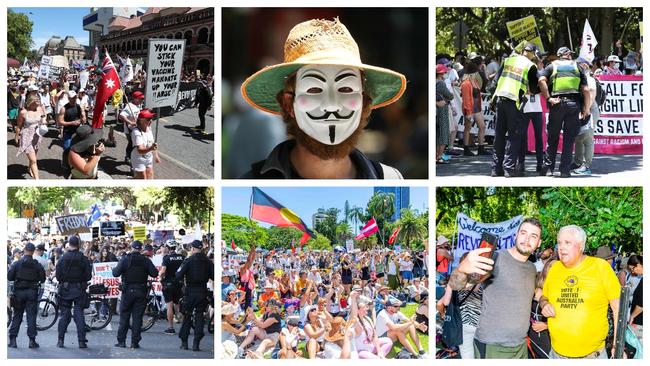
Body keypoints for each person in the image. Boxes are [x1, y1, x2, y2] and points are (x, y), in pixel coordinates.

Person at [240, 18, 405, 178]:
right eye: (314, 90)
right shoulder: (253, 182)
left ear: (363, 101)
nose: (332, 105)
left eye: (346, 89)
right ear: (289, 103)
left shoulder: (390, 180)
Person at [447, 217, 542, 358]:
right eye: (523, 233)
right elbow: (457, 285)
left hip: (520, 345)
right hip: (493, 345)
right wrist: (462, 269)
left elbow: (529, 295)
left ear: (538, 243)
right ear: (516, 235)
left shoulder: (531, 268)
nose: (527, 239)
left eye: (533, 236)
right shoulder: (496, 259)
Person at [539, 225, 621, 359]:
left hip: (592, 356)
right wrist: (545, 304)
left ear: (581, 245)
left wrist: (617, 345)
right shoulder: (554, 268)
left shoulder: (600, 267)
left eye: (567, 243)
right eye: (559, 242)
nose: (561, 247)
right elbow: (544, 296)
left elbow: (619, 308)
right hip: (556, 354)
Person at [538, 46, 590, 178]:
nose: (571, 55)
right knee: (569, 139)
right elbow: (586, 90)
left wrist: (549, 98)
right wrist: (586, 108)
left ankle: (549, 169)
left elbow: (541, 80)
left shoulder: (552, 66)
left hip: (557, 104)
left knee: (553, 137)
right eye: (570, 54)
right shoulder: (578, 67)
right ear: (567, 54)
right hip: (574, 105)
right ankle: (565, 171)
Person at [490, 42, 540, 177]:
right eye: (534, 54)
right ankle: (509, 168)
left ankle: (496, 169)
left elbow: (495, 81)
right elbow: (535, 88)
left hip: (500, 99)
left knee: (499, 135)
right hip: (514, 102)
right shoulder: (530, 66)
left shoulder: (508, 60)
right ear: (531, 52)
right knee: (514, 135)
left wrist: (492, 99)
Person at [112, 240, 159, 349]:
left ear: (132, 248)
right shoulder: (145, 260)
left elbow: (115, 273)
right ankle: (135, 342)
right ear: (141, 249)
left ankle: (121, 341)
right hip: (141, 291)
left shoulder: (125, 259)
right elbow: (154, 273)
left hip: (127, 291)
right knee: (137, 318)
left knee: (124, 317)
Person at [176, 239, 214, 351]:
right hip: (202, 291)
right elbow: (213, 276)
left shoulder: (188, 260)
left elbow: (178, 275)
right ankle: (196, 344)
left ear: (192, 248)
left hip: (190, 292)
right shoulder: (208, 262)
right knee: (199, 317)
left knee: (187, 316)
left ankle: (184, 342)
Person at [55, 235, 92, 348]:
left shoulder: (62, 258)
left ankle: (60, 340)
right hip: (79, 290)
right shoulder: (83, 259)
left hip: (65, 290)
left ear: (69, 244)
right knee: (79, 315)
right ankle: (81, 341)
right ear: (79, 245)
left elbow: (58, 276)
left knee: (64, 315)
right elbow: (88, 276)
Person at [8, 243, 46, 349]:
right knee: (31, 317)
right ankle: (32, 341)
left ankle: (13, 340)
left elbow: (10, 277)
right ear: (33, 251)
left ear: (24, 250)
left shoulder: (17, 264)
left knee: (17, 316)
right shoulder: (36, 264)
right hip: (32, 293)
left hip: (19, 293)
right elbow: (43, 279)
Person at [572, 57, 598, 176]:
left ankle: (586, 166)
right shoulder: (581, 78)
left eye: (578, 64)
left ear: (585, 65)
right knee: (579, 137)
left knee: (587, 138)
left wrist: (586, 110)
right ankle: (577, 162)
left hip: (589, 109)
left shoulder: (589, 79)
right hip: (584, 109)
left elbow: (591, 96)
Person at [15, 94, 46, 179]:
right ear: (30, 102)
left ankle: (29, 168)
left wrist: (44, 120)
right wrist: (16, 136)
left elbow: (43, 115)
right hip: (27, 137)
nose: (38, 104)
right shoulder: (23, 112)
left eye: (38, 102)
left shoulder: (39, 108)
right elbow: (19, 126)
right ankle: (37, 180)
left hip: (37, 135)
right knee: (33, 160)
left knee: (34, 156)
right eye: (36, 102)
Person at [460, 69, 489, 156]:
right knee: (468, 127)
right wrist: (468, 111)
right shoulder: (465, 83)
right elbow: (465, 99)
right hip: (469, 108)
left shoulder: (475, 82)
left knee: (482, 126)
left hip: (476, 108)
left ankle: (481, 148)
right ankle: (466, 148)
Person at [57, 90, 85, 177]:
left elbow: (83, 118)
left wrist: (83, 117)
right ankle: (66, 165)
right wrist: (72, 123)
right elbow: (60, 122)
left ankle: (76, 165)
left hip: (77, 132)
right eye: (72, 98)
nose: (74, 99)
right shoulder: (64, 109)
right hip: (68, 132)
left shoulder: (78, 107)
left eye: (75, 98)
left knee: (78, 150)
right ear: (68, 98)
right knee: (67, 149)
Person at [159, 240, 184, 335]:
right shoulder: (182, 257)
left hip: (168, 284)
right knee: (178, 305)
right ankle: (183, 326)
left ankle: (170, 327)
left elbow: (163, 271)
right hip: (179, 284)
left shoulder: (166, 258)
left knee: (169, 305)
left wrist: (160, 277)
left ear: (168, 248)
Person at [130, 109, 160, 179]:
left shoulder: (149, 128)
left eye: (151, 118)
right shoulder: (136, 132)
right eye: (148, 119)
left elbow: (151, 143)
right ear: (141, 120)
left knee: (150, 178)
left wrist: (156, 155)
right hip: (138, 159)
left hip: (148, 158)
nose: (151, 120)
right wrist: (151, 148)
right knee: (142, 179)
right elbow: (140, 150)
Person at [118, 90, 144, 164]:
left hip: (137, 129)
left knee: (134, 144)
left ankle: (130, 157)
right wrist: (130, 122)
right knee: (132, 144)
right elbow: (121, 115)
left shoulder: (138, 105)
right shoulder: (129, 106)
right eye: (140, 99)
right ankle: (128, 157)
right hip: (130, 130)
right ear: (135, 98)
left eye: (142, 99)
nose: (141, 100)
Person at [436, 63, 454, 164]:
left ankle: (436, 156)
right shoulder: (441, 83)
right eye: (444, 72)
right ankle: (439, 157)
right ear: (441, 73)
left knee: (436, 134)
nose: (446, 73)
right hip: (442, 110)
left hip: (437, 110)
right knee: (443, 133)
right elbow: (450, 96)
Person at [628, 256, 643, 343]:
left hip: (640, 322)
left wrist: (632, 316)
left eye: (632, 269)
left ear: (638, 265)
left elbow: (641, 305)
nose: (632, 272)